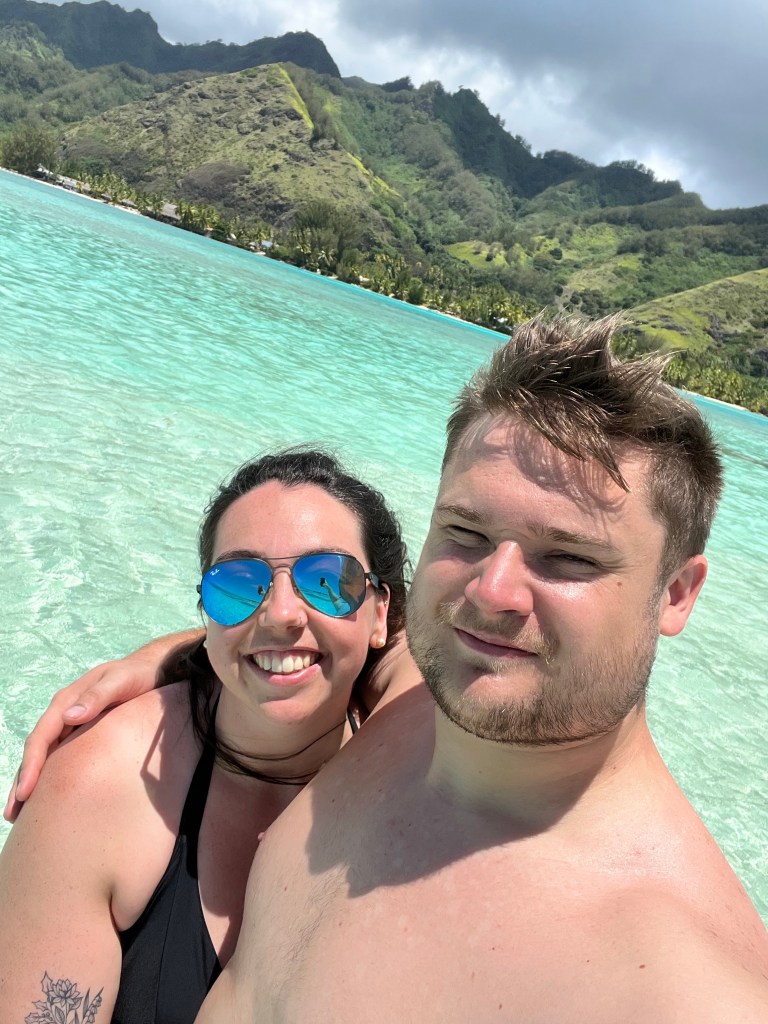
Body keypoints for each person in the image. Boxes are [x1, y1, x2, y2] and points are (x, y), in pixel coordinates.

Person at [9, 317, 768, 1021]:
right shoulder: (418, 706)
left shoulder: (679, 986)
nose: (492, 593)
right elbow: (310, 631)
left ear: (676, 593)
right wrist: (178, 654)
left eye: (568, 557)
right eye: (466, 532)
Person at [0, 448, 415, 1023]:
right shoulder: (102, 785)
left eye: (328, 580)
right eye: (239, 584)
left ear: (380, 613)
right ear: (206, 611)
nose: (281, 614)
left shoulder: (422, 777)